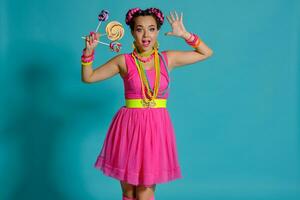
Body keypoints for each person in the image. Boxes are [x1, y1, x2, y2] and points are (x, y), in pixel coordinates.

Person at [81, 7, 213, 200]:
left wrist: (185, 35)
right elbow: (89, 77)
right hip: (129, 126)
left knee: (144, 191)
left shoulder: (168, 59)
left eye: (151, 29)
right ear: (133, 32)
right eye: (140, 29)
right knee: (128, 191)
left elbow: (206, 53)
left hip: (155, 127)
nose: (146, 34)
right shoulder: (123, 61)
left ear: (158, 31)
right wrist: (88, 52)